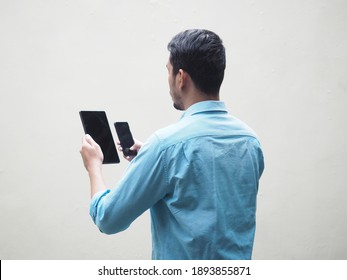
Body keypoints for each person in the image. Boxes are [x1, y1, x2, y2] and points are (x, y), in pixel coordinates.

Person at [80, 29, 264, 260]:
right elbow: (212, 194)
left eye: (168, 72)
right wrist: (156, 161)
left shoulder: (165, 147)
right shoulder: (249, 141)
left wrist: (94, 167)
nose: (168, 81)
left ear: (181, 77)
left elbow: (108, 219)